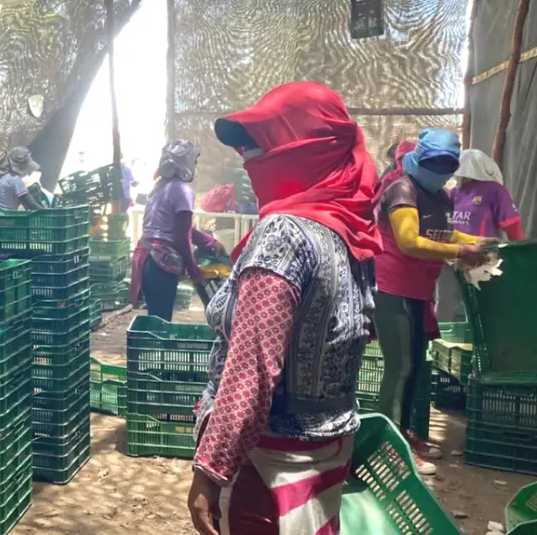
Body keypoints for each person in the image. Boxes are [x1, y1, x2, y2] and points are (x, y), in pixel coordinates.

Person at [187, 82, 381, 535]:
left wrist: (209, 472)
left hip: (267, 463)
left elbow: (252, 371)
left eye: (261, 145)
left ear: (308, 148)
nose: (248, 159)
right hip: (327, 451)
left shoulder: (285, 234)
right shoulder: (348, 230)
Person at [374, 129, 489, 476]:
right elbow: (409, 241)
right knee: (400, 368)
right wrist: (459, 252)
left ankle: (405, 435)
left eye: (446, 165)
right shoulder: (402, 190)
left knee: (415, 368)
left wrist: (476, 241)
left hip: (419, 292)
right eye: (433, 163)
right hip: (391, 288)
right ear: (418, 161)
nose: (439, 170)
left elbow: (441, 231)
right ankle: (387, 446)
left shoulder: (440, 195)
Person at [129, 140, 222, 321]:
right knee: (162, 321)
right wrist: (193, 267)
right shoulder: (182, 190)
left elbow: (180, 228)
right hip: (160, 262)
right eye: (193, 161)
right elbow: (181, 235)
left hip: (146, 258)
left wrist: (208, 241)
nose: (195, 166)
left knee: (155, 318)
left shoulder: (160, 187)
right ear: (185, 162)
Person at [436, 148, 523, 321]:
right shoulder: (459, 192)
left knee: (447, 304)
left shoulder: (467, 192)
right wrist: (523, 254)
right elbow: (513, 227)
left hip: (459, 257)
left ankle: (440, 343)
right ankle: (478, 344)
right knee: (479, 307)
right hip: (475, 258)